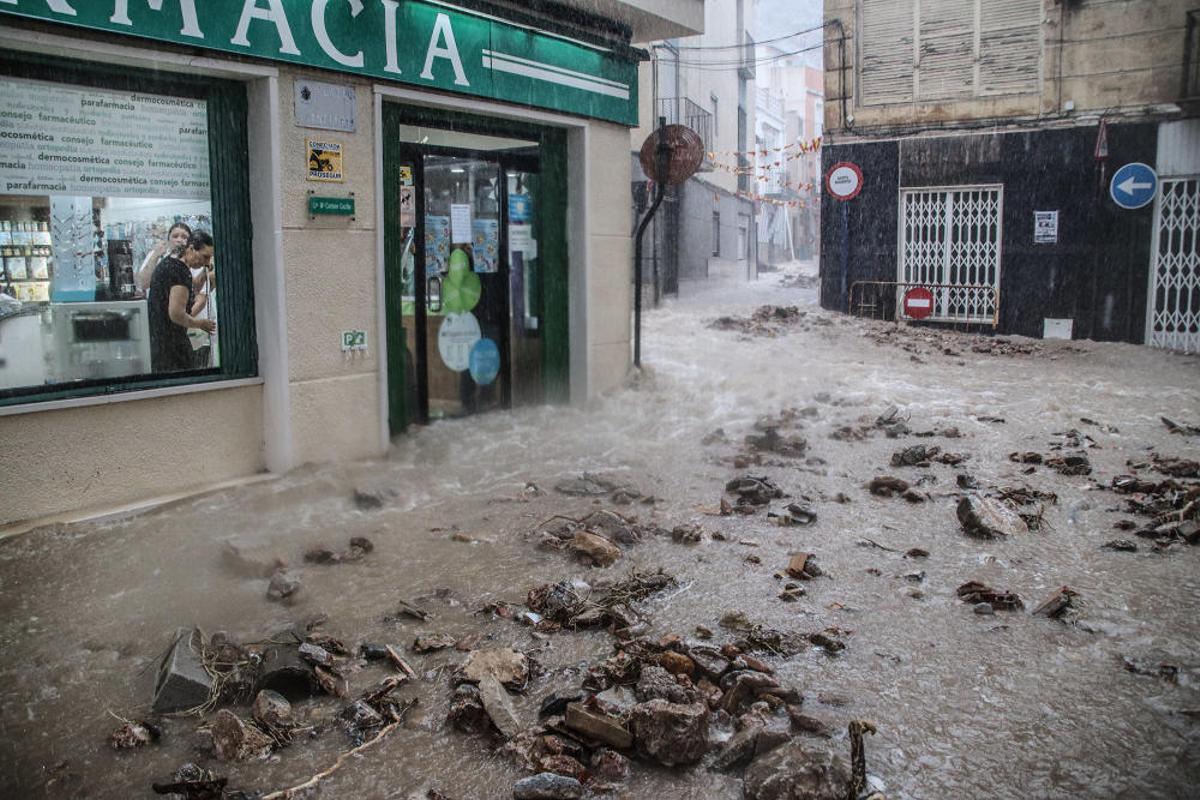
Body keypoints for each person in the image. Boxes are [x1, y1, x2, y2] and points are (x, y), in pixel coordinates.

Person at [148, 230, 216, 372]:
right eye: (204, 257)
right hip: (172, 345)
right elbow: (176, 314)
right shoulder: (180, 271)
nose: (206, 262)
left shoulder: (170, 263)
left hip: (159, 342)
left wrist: (205, 272)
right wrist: (200, 324)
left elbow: (189, 289)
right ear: (191, 249)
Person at [135, 221, 192, 294]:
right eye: (175, 236)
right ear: (168, 240)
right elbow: (143, 284)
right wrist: (155, 256)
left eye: (184, 237)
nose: (179, 240)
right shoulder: (156, 255)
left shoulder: (194, 259)